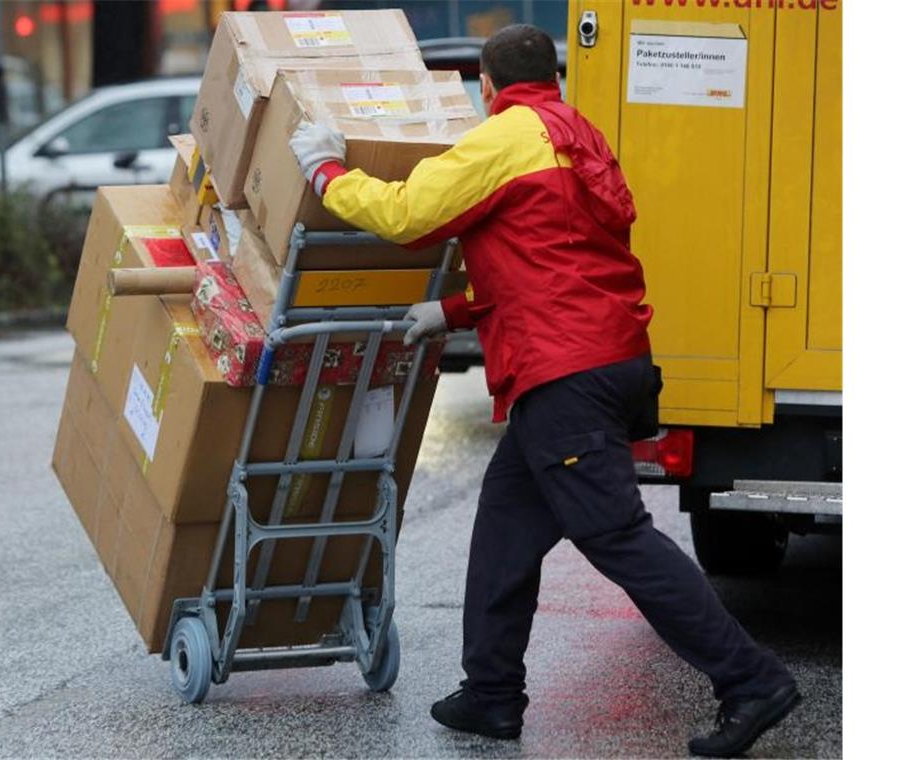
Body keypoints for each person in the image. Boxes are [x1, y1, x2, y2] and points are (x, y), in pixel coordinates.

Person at [289, 23, 800, 759]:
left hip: (566, 372)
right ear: (552, 76)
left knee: (617, 536)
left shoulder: (502, 140)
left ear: (488, 87)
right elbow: (557, 256)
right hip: (608, 358)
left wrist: (326, 172)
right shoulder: (578, 134)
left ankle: (751, 681)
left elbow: (406, 216)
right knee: (505, 526)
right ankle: (491, 694)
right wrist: (457, 310)